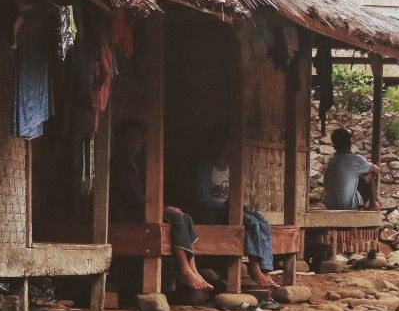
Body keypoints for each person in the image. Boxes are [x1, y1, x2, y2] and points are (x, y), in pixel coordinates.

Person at [111, 121, 211, 294]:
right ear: (121, 141)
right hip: (127, 212)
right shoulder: (120, 164)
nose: (136, 142)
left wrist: (162, 208)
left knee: (186, 217)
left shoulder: (137, 164)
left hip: (140, 208)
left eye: (138, 138)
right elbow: (133, 197)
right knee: (176, 217)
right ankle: (183, 269)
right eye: (130, 137)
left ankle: (192, 268)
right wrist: (162, 208)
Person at [194, 137, 282, 291]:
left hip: (230, 210)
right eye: (219, 145)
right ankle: (254, 268)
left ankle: (265, 269)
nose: (222, 149)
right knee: (252, 224)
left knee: (262, 221)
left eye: (225, 145)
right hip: (213, 213)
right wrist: (224, 205)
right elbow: (201, 197)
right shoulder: (206, 168)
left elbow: (236, 194)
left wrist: (241, 205)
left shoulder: (229, 168)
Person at [322, 128, 379, 210]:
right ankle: (373, 205)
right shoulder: (355, 159)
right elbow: (377, 170)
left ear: (334, 146)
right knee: (369, 173)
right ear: (350, 143)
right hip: (347, 206)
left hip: (330, 205)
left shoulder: (332, 160)